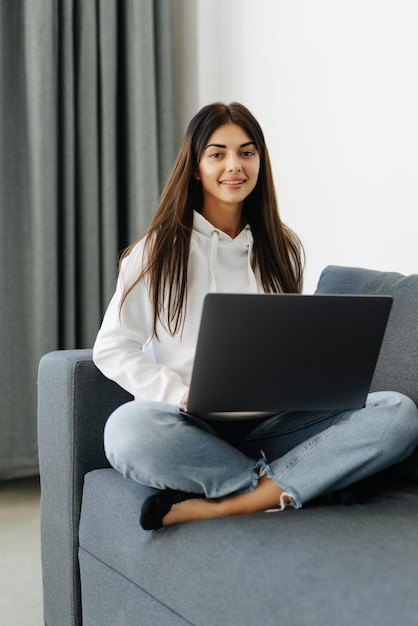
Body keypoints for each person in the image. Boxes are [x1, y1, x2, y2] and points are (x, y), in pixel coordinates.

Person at [93, 102, 418, 530]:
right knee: (126, 430)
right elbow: (111, 348)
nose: (235, 166)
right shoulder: (156, 251)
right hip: (190, 424)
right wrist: (180, 392)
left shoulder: (281, 247)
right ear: (195, 167)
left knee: (398, 412)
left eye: (247, 152)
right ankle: (283, 484)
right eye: (217, 154)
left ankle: (230, 501)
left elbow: (286, 341)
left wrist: (311, 380)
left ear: (259, 161)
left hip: (272, 423)